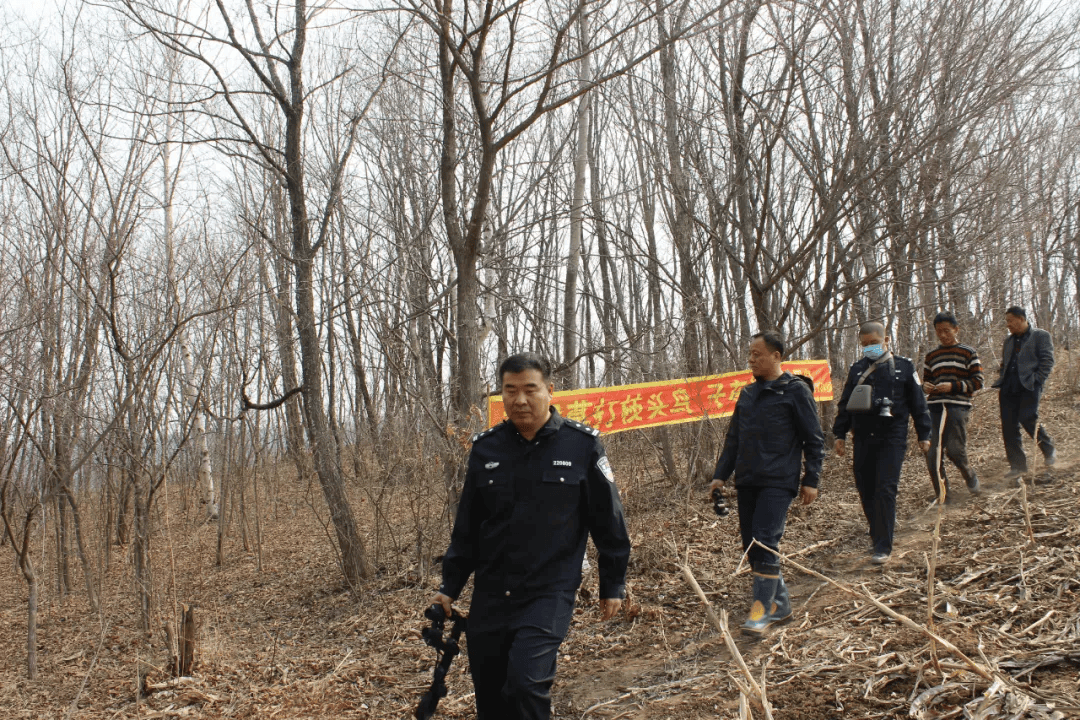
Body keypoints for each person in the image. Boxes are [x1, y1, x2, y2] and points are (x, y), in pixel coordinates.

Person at [430, 352, 630, 720]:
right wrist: (450, 586)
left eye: (529, 390)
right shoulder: (486, 448)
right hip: (491, 592)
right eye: (510, 391)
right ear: (501, 395)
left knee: (525, 683)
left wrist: (612, 583)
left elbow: (609, 522)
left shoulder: (581, 445)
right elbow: (468, 527)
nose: (519, 400)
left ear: (550, 391)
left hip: (548, 589)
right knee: (491, 696)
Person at [709, 331, 825, 636]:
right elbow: (733, 439)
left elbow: (813, 439)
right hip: (748, 479)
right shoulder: (747, 394)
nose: (751, 359)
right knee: (751, 545)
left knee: (764, 541)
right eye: (749, 354)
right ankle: (781, 604)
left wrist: (811, 479)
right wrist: (721, 474)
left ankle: (760, 610)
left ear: (776, 356)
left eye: (757, 354)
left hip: (779, 479)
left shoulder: (796, 391)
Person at [833, 322, 931, 565]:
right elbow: (845, 404)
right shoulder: (857, 369)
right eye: (864, 344)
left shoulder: (904, 367)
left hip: (892, 436)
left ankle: (883, 545)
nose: (869, 348)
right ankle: (876, 534)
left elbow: (919, 403)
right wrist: (839, 434)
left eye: (874, 343)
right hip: (863, 437)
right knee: (866, 488)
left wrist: (924, 434)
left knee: (885, 488)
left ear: (886, 339)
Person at [922, 311, 984, 502]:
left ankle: (970, 477)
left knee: (955, 451)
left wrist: (953, 386)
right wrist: (925, 387)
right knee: (933, 454)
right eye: (938, 331)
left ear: (956, 329)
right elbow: (926, 382)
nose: (942, 335)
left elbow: (978, 382)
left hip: (958, 407)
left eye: (947, 331)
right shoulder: (931, 356)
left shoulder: (968, 352)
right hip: (934, 408)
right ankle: (943, 495)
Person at [990, 306, 1056, 481]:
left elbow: (1047, 360)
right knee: (1009, 426)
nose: (1008, 325)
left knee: (1028, 417)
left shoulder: (1041, 336)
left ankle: (1048, 450)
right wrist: (1002, 375)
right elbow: (1005, 362)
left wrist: (1037, 380)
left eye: (1010, 320)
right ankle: (1018, 466)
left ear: (1021, 318)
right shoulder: (1008, 341)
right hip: (1008, 387)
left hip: (1029, 386)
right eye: (1007, 321)